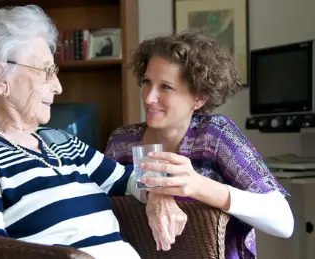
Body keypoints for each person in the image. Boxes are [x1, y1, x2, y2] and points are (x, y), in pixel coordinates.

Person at [0, 5, 187, 259]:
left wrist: (159, 195)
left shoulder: (60, 141)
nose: (58, 87)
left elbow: (132, 181)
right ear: (0, 78)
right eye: (46, 72)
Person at [105, 31, 295, 259]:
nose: (148, 97)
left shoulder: (215, 136)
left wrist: (196, 186)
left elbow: (283, 221)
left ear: (199, 98)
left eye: (166, 87)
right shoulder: (122, 142)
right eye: (147, 82)